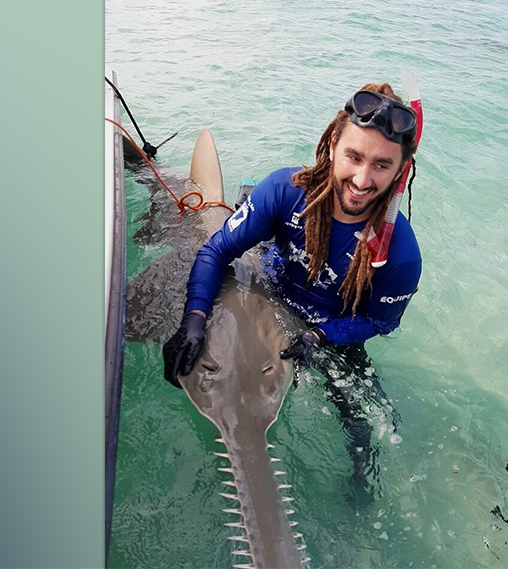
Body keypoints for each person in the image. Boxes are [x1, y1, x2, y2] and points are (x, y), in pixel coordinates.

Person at [163, 82, 422, 497]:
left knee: (366, 421)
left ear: (400, 169)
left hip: (332, 326)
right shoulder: (285, 191)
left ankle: (360, 487)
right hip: (272, 285)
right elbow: (216, 252)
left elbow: (379, 320)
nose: (361, 178)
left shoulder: (401, 255)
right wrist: (194, 319)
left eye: (381, 165)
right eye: (354, 156)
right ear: (334, 143)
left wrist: (322, 335)